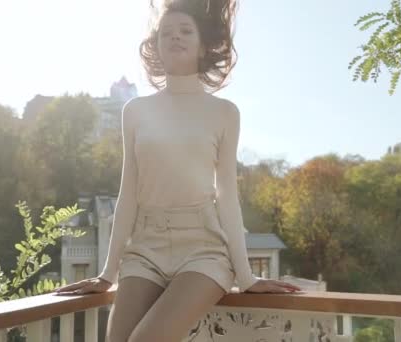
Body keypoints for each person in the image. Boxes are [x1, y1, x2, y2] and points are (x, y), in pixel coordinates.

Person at [54, 0, 303, 340]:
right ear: (155, 47)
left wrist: (246, 277)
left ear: (204, 45)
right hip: (145, 248)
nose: (175, 37)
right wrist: (107, 273)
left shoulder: (225, 112)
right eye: (166, 33)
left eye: (186, 31)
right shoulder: (135, 111)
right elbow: (128, 192)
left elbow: (227, 195)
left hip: (204, 251)